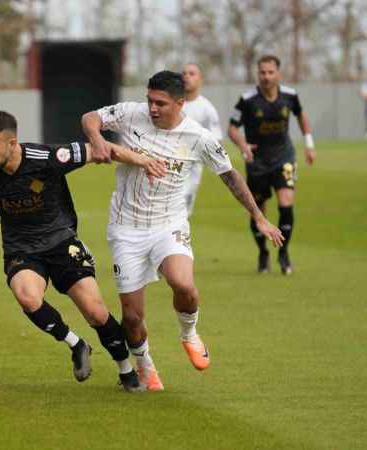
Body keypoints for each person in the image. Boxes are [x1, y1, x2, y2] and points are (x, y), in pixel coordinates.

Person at [81, 70, 284, 390]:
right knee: (132, 318)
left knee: (184, 285)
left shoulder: (198, 137)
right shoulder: (131, 113)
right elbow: (90, 117)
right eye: (150, 100)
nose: (152, 108)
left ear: (180, 102)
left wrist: (258, 216)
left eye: (160, 103)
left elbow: (230, 175)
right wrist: (97, 139)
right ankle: (145, 364)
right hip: (126, 228)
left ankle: (189, 333)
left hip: (168, 224)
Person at [0, 110, 167, 392]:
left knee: (96, 313)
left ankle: (125, 368)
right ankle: (77, 345)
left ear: (13, 143)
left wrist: (144, 161)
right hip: (20, 247)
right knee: (27, 298)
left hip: (62, 242)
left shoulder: (48, 157)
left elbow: (101, 149)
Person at [228, 54, 316, 275]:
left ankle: (284, 253)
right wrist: (243, 145)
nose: (266, 76)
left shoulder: (290, 96)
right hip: (257, 162)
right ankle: (263, 252)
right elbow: (232, 128)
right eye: (262, 72)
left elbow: (301, 116)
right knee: (258, 209)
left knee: (286, 203)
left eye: (270, 72)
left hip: (284, 157)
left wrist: (309, 143)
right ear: (257, 73)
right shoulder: (247, 99)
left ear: (279, 73)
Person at [181, 63, 223, 216]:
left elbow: (216, 140)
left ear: (200, 79)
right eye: (184, 73)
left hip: (191, 168)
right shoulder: (172, 104)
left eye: (192, 74)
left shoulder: (207, 109)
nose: (186, 76)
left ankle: (178, 239)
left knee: (181, 214)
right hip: (166, 163)